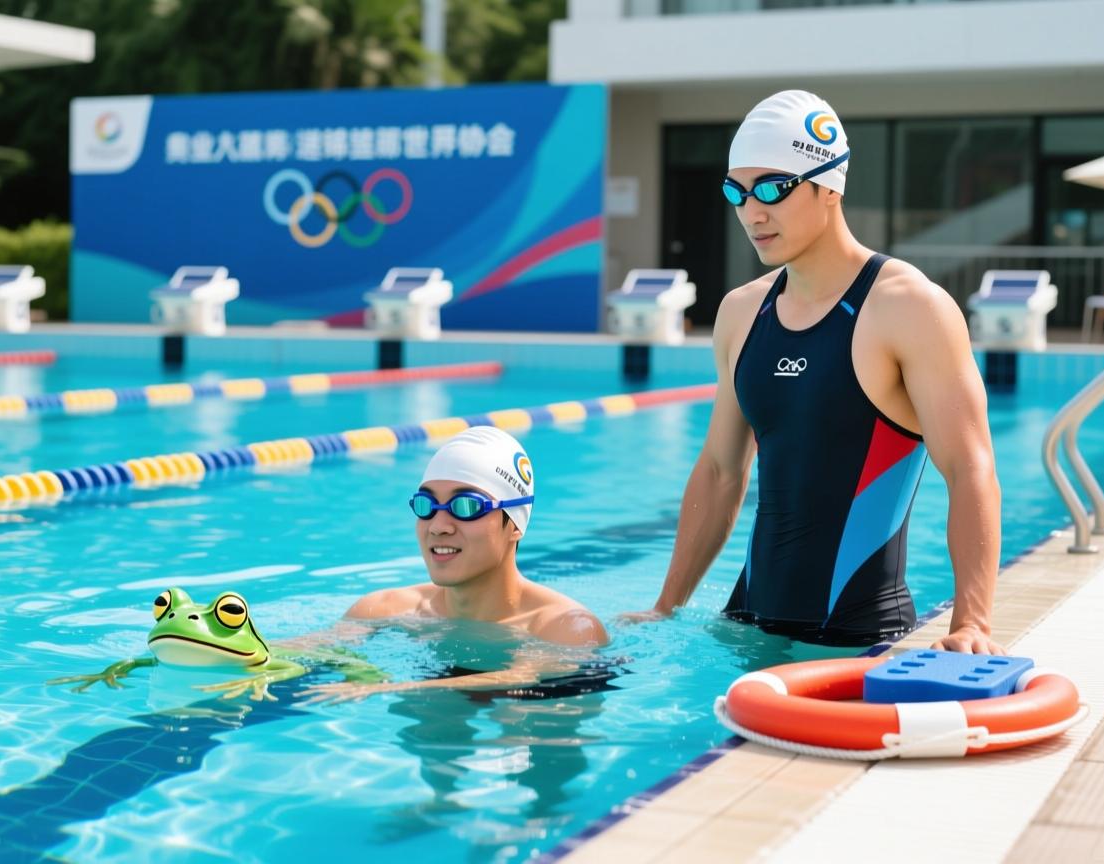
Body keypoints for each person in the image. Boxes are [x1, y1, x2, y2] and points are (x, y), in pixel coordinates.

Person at [624, 89, 1003, 654]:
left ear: (830, 186)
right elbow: (721, 471)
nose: (752, 212)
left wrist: (972, 623)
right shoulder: (741, 312)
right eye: (737, 192)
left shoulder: (908, 307)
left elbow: (970, 467)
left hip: (856, 638)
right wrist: (665, 606)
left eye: (772, 188)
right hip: (745, 628)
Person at [301, 425, 610, 703]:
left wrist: (385, 688)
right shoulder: (384, 609)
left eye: (466, 506)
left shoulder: (565, 627)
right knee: (425, 715)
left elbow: (521, 677)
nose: (438, 526)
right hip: (441, 697)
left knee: (521, 717)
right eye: (427, 505)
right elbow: (312, 648)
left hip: (535, 707)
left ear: (515, 524)